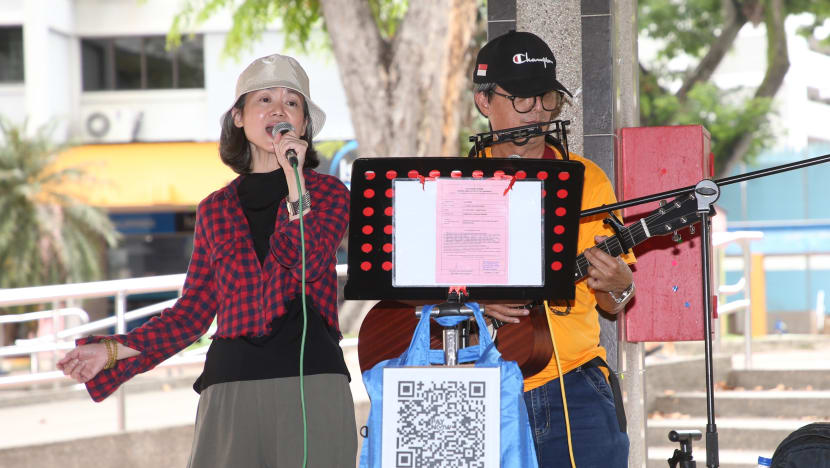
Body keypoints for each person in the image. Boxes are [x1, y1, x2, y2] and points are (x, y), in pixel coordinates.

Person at [57, 53, 356, 467]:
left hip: (311, 383)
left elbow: (305, 256)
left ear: (304, 124)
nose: (278, 110)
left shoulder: (329, 195)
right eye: (264, 99)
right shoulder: (215, 209)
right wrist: (110, 352)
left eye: (292, 103)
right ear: (238, 117)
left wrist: (294, 178)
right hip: (230, 387)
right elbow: (190, 315)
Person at [470, 31, 635, 467]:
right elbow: (416, 298)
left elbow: (611, 304)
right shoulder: (451, 183)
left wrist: (619, 286)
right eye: (523, 99)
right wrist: (471, 297)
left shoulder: (586, 178)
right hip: (481, 386)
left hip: (575, 386)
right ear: (485, 101)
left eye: (547, 98)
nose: (539, 112)